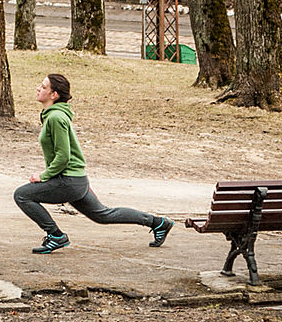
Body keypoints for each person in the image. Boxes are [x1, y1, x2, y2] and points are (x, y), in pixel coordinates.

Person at [14, 74, 174, 254]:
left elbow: (63, 156)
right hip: (75, 180)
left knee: (22, 195)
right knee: (103, 215)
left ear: (54, 95)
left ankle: (55, 235)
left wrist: (42, 176)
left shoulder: (56, 118)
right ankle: (158, 223)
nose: (38, 88)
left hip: (69, 180)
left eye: (43, 87)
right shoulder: (54, 115)